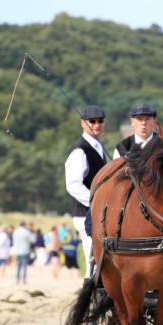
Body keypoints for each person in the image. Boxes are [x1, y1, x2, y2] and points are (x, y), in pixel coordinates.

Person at [65, 105, 108, 279]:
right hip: (85, 213)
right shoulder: (79, 150)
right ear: (83, 123)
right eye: (92, 121)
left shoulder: (98, 146)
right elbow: (73, 185)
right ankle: (88, 291)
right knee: (92, 256)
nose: (96, 125)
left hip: (97, 212)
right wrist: (96, 201)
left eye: (100, 121)